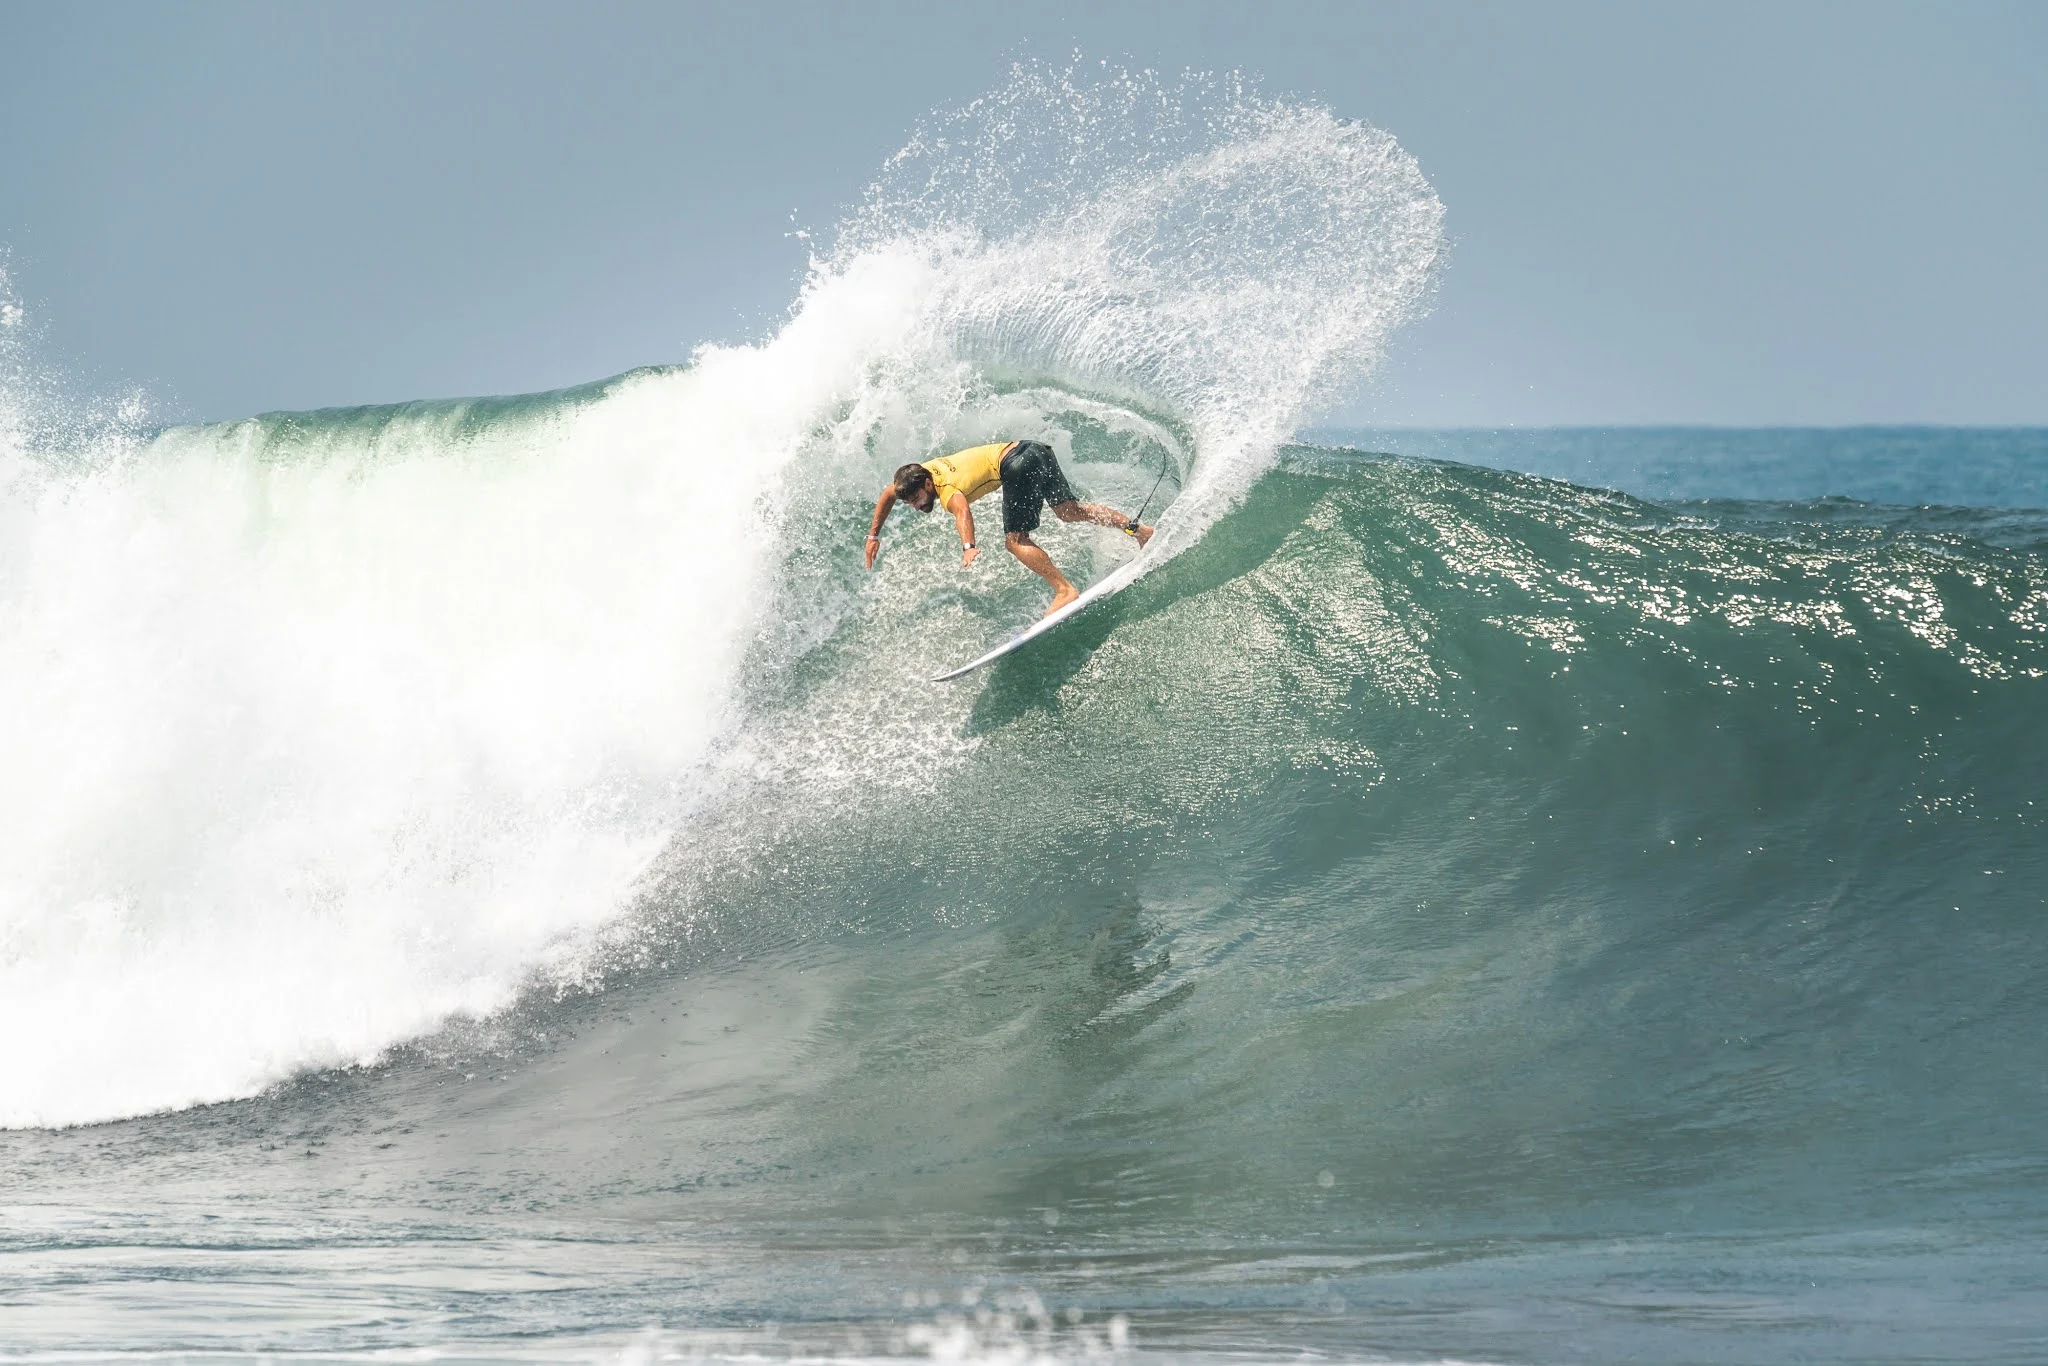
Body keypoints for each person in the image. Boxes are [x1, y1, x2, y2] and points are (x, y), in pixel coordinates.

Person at [863, 440, 1154, 615]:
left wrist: (969, 547)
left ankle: (1064, 591)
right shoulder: (920, 472)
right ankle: (1140, 531)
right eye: (911, 502)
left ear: (928, 484)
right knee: (1070, 511)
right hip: (1034, 449)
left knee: (1015, 541)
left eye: (916, 499)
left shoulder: (946, 488)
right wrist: (873, 535)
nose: (916, 505)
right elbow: (889, 493)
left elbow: (961, 510)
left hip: (1015, 465)